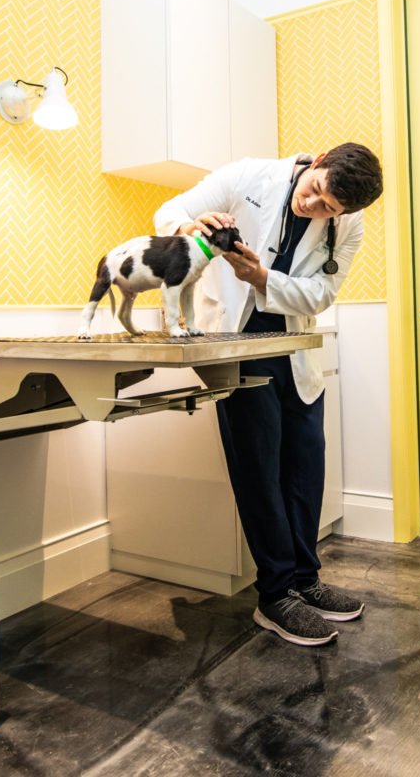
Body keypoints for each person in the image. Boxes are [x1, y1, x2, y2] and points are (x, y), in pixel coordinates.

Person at [155, 143, 384, 645]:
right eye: (316, 192)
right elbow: (170, 210)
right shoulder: (248, 176)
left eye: (329, 209)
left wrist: (260, 276)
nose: (315, 208)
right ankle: (276, 594)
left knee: (305, 465)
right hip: (238, 342)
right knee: (259, 469)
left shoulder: (351, 225)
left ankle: (306, 580)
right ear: (317, 162)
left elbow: (321, 296)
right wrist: (189, 228)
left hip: (295, 347)